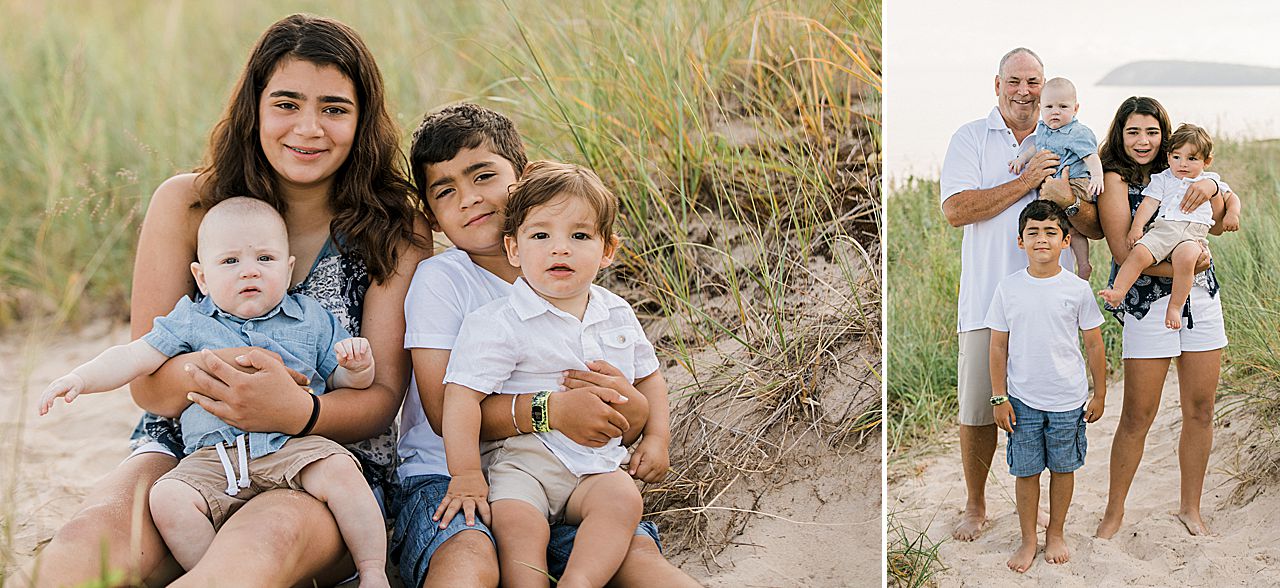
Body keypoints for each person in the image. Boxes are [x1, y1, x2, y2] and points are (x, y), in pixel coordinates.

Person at [30, 14, 433, 586]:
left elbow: (382, 398)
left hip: (323, 459)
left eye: (335, 109)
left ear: (363, 119)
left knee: (257, 546)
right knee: (87, 544)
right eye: (287, 104)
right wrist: (225, 375)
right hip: (187, 451)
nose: (309, 128)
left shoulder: (394, 227)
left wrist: (295, 410)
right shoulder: (188, 205)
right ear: (255, 107)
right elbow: (149, 385)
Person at [394, 103, 698, 587]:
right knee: (473, 559)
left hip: (579, 466)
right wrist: (552, 411)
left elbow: (633, 393)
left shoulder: (572, 275)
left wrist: (639, 417)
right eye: (446, 191)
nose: (469, 199)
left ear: (524, 177)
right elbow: (442, 407)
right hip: (450, 474)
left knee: (638, 561)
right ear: (431, 217)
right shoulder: (443, 280)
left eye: (483, 176)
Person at [38, 198, 390, 586]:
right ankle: (210, 569)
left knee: (341, 471)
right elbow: (134, 357)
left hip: (290, 446)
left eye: (266, 259)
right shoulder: (190, 320)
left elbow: (342, 382)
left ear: (288, 269)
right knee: (168, 498)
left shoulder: (310, 318)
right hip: (213, 455)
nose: (249, 271)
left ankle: (373, 571)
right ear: (201, 277)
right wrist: (81, 379)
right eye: (230, 262)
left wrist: (357, 368)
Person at [435, 161, 670, 587]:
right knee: (518, 526)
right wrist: (466, 473)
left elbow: (650, 378)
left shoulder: (616, 312)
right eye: (541, 235)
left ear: (607, 250)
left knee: (622, 499)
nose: (559, 249)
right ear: (514, 249)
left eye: (579, 236)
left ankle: (580, 581)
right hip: (522, 464)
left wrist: (656, 438)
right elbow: (461, 396)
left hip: (595, 465)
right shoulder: (499, 321)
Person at [939, 47, 1097, 542]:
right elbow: (957, 209)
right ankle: (976, 504)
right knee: (979, 408)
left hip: (1055, 301)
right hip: (988, 298)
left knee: (1051, 407)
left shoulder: (1070, 140)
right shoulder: (971, 138)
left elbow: (1094, 222)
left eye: (1034, 82)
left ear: (1050, 88)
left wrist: (1063, 193)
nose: (1025, 92)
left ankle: (1041, 513)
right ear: (997, 85)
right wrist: (1026, 181)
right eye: (1015, 81)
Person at [1093, 97, 1237, 539]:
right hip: (1147, 305)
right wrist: (1187, 266)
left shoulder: (1188, 169)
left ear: (1165, 135)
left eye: (1152, 132)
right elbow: (1123, 252)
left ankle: (1190, 508)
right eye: (1133, 131)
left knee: (1201, 408)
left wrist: (1220, 194)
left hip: (1202, 301)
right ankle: (1114, 513)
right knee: (1138, 414)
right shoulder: (1116, 179)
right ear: (1120, 134)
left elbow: (1221, 214)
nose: (1143, 141)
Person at [986, 200, 1107, 573]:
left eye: (1051, 232)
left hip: (1067, 400)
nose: (1042, 239)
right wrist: (999, 397)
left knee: (1063, 467)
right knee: (1025, 471)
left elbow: (1094, 343)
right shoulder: (1008, 289)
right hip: (1022, 400)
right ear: (1020, 241)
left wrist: (1099, 393)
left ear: (1066, 240)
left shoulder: (1076, 289)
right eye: (1033, 233)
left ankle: (1056, 532)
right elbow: (998, 346)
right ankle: (1028, 539)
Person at [1098, 124, 1241, 329]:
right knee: (1139, 252)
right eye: (1176, 157)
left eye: (1191, 159)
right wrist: (1136, 228)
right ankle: (1119, 291)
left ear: (1206, 161)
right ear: (1168, 157)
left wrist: (1232, 214)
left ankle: (1175, 306)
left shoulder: (1210, 180)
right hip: (1165, 229)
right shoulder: (1163, 178)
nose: (1182, 164)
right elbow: (1149, 204)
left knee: (1186, 259)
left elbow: (1232, 198)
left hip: (1193, 235)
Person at [1010, 77, 1104, 278]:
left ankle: (1083, 263)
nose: (1055, 111)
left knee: (1058, 220)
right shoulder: (1043, 129)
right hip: (1056, 183)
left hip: (1076, 182)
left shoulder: (1078, 132)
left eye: (1063, 106)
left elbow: (1091, 156)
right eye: (1049, 106)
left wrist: (1097, 176)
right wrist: (1021, 158)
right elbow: (1035, 147)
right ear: (1040, 108)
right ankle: (1076, 264)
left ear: (1075, 108)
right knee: (1068, 227)